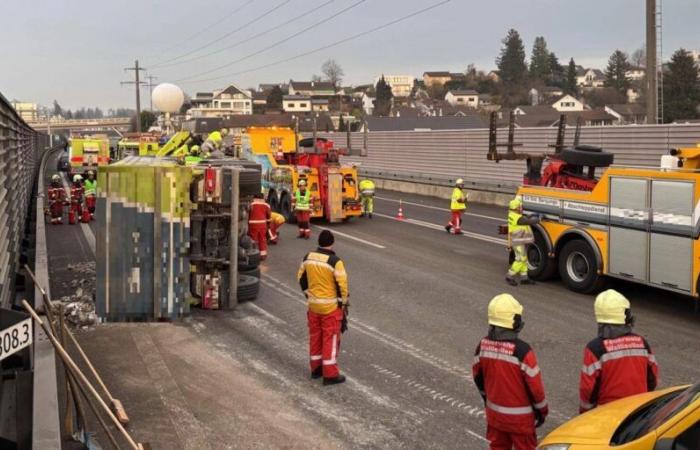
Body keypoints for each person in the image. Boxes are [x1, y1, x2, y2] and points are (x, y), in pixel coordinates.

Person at [473, 294, 548, 450]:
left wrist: (487, 399)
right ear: (514, 321)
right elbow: (536, 389)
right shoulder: (523, 351)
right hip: (521, 422)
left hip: (495, 418)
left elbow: (478, 377)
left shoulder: (482, 346)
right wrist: (542, 411)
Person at [579, 289, 659, 414]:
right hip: (637, 414)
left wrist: (585, 414)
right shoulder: (642, 343)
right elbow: (652, 378)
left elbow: (588, 390)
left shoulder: (594, 349)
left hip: (606, 415)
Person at [297, 230, 349, 385]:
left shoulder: (308, 257)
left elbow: (301, 277)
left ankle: (316, 369)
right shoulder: (335, 261)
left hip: (313, 306)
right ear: (332, 242)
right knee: (330, 339)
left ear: (319, 242)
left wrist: (308, 294)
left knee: (315, 337)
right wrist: (343, 303)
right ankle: (330, 374)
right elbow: (342, 285)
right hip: (330, 308)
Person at [506, 196, 540, 286]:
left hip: (518, 240)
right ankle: (510, 276)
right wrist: (539, 219)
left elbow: (524, 218)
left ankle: (524, 278)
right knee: (520, 259)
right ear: (516, 208)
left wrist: (530, 215)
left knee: (524, 259)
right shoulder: (518, 218)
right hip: (517, 241)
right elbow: (528, 221)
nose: (521, 208)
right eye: (520, 207)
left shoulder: (513, 215)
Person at [248, 193, 271, 260]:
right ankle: (263, 255)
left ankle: (253, 255)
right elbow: (269, 216)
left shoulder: (251, 204)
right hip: (262, 225)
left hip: (253, 225)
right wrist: (268, 224)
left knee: (253, 240)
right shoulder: (266, 205)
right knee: (262, 239)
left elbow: (248, 214)